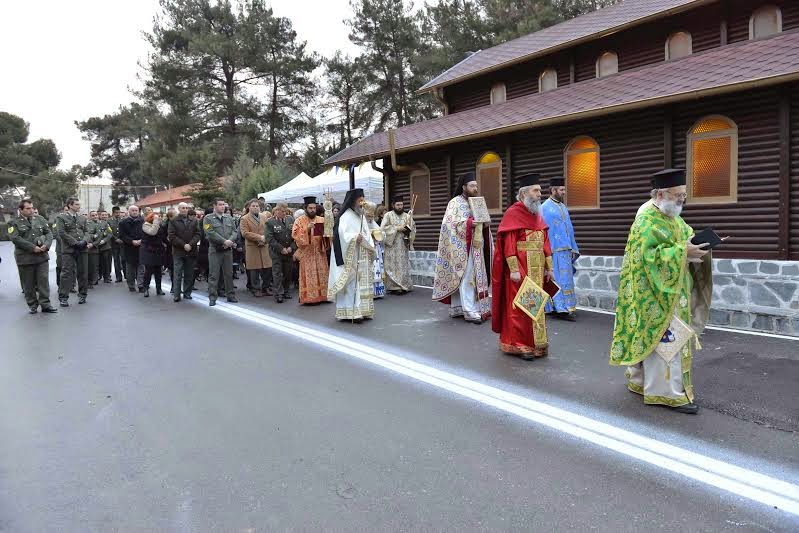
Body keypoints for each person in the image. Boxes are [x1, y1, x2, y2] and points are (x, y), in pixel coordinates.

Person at [609, 169, 713, 415]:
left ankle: (639, 380)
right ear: (661, 194)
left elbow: (687, 239)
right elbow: (647, 257)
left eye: (684, 195)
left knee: (657, 339)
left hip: (676, 289)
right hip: (654, 292)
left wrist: (699, 244)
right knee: (667, 340)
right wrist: (682, 253)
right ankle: (667, 393)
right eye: (677, 194)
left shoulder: (675, 218)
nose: (682, 199)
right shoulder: (646, 220)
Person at [491, 174, 555, 359]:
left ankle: (537, 343)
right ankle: (519, 344)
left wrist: (549, 268)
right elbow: (509, 245)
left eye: (540, 191)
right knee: (519, 308)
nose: (539, 194)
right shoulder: (513, 213)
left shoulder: (537, 215)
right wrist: (514, 270)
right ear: (523, 193)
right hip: (520, 269)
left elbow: (545, 243)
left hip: (537, 269)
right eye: (536, 191)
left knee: (537, 305)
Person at [432, 172, 493, 324]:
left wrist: (485, 222)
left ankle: (466, 307)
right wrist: (468, 223)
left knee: (477, 277)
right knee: (466, 277)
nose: (475, 188)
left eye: (476, 186)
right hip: (462, 247)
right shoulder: (455, 202)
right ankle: (469, 311)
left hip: (477, 246)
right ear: (464, 187)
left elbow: (484, 221)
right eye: (472, 186)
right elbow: (449, 224)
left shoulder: (478, 202)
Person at [327, 188, 375, 321]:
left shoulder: (361, 216)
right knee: (350, 284)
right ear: (353, 201)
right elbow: (341, 236)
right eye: (360, 201)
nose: (362, 204)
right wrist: (354, 238)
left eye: (363, 200)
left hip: (362, 255)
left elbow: (367, 233)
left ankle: (362, 310)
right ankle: (350, 312)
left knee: (361, 284)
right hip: (350, 257)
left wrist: (367, 238)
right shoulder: (345, 216)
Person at [541, 176, 580, 321]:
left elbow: (569, 228)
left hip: (566, 250)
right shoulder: (544, 207)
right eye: (562, 189)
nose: (564, 192)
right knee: (556, 279)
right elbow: (544, 230)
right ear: (553, 190)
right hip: (553, 251)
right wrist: (546, 251)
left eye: (564, 189)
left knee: (566, 279)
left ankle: (566, 306)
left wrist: (572, 247)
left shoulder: (563, 207)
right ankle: (559, 309)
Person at [8, 199, 57, 314]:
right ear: (20, 210)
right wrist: (32, 247)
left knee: (43, 281)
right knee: (28, 283)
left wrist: (47, 244)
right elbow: (15, 238)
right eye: (28, 208)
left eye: (32, 208)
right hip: (25, 258)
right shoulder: (13, 222)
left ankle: (46, 304)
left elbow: (48, 233)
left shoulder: (40, 219)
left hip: (42, 256)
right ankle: (32, 305)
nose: (31, 210)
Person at [291, 196, 329, 304]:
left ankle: (323, 295)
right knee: (309, 275)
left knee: (322, 274)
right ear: (305, 208)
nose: (312, 210)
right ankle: (309, 297)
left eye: (314, 208)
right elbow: (296, 235)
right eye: (310, 208)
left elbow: (325, 237)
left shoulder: (320, 219)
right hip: (307, 254)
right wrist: (307, 229)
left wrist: (326, 234)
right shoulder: (299, 220)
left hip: (319, 252)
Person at [203, 198, 239, 306]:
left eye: (223, 205)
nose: (222, 207)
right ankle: (212, 297)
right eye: (220, 204)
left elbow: (235, 231)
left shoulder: (229, 218)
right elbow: (209, 232)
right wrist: (224, 241)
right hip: (215, 250)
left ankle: (230, 295)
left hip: (227, 250)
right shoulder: (208, 218)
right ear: (215, 206)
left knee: (229, 274)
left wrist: (230, 241)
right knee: (214, 274)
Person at [56, 197, 90, 306]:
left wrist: (84, 241)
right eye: (76, 204)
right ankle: (63, 297)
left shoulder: (82, 218)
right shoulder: (61, 217)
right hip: (69, 250)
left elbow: (87, 232)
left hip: (82, 249)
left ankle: (82, 295)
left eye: (79, 205)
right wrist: (75, 243)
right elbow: (61, 232)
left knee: (83, 273)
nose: (79, 206)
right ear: (70, 205)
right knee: (66, 273)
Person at [380, 196, 416, 294]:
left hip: (402, 245)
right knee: (391, 266)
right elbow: (382, 229)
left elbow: (413, 229)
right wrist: (397, 228)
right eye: (398, 205)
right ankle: (394, 287)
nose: (400, 207)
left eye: (401, 205)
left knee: (402, 266)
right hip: (391, 245)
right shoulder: (388, 215)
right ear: (393, 205)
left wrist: (410, 224)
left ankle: (404, 285)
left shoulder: (407, 216)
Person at [168, 202, 201, 302]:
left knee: (189, 273)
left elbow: (198, 234)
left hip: (191, 251)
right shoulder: (173, 221)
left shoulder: (194, 220)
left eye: (186, 208)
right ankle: (177, 294)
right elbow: (172, 236)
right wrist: (184, 245)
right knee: (177, 273)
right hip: (178, 251)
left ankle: (187, 293)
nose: (185, 209)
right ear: (179, 209)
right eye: (182, 208)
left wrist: (190, 244)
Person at [239, 199, 272, 297]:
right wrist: (259, 238)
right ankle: (256, 288)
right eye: (253, 206)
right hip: (252, 246)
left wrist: (264, 239)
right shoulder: (244, 218)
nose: (255, 207)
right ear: (249, 207)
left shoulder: (264, 216)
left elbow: (268, 230)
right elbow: (245, 233)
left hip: (264, 245)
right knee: (254, 269)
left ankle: (265, 287)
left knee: (267, 268)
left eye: (257, 206)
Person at [265, 202, 296, 303]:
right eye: (282, 211)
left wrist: (292, 247)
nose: (284, 213)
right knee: (277, 273)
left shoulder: (290, 219)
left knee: (288, 272)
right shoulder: (270, 222)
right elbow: (269, 238)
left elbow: (295, 235)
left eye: (285, 211)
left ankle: (286, 291)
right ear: (276, 211)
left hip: (289, 251)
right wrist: (281, 248)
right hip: (276, 252)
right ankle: (279, 293)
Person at [140, 212, 167, 297]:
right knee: (148, 271)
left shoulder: (160, 226)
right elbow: (153, 232)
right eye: (157, 217)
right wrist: (156, 222)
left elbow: (163, 237)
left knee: (158, 271)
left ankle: (159, 289)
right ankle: (146, 289)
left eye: (159, 217)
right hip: (148, 250)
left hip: (158, 250)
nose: (159, 218)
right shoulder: (146, 225)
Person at [119, 205, 145, 293]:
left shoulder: (143, 221)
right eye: (133, 210)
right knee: (130, 268)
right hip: (129, 247)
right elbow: (122, 236)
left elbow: (146, 233)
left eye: (136, 210)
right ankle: (131, 285)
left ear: (138, 211)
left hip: (141, 247)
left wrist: (141, 240)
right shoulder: (123, 222)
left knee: (141, 267)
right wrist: (131, 241)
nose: (135, 212)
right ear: (129, 212)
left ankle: (141, 285)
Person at [364, 202, 385, 299]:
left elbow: (382, 233)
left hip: (375, 249)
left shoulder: (373, 223)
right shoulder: (362, 224)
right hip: (366, 250)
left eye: (371, 216)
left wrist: (377, 234)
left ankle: (377, 292)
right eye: (368, 216)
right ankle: (369, 291)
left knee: (376, 270)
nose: (370, 218)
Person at [85, 210, 103, 287]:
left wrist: (92, 244)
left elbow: (99, 237)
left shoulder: (97, 224)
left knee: (94, 266)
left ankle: (93, 281)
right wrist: (86, 243)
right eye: (93, 215)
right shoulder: (85, 224)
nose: (95, 216)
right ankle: (88, 281)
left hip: (94, 248)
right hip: (85, 248)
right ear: (89, 216)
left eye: (96, 215)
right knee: (86, 267)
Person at [96, 210, 114, 283]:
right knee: (98, 262)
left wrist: (104, 240)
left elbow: (110, 234)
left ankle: (107, 276)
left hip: (106, 246)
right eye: (102, 215)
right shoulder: (97, 223)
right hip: (97, 246)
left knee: (107, 262)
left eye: (105, 215)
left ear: (108, 216)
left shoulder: (107, 223)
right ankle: (99, 275)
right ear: (99, 216)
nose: (104, 216)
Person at [109, 206, 125, 282]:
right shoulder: (109, 221)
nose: (118, 214)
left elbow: (126, 231)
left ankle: (126, 275)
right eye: (116, 213)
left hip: (123, 243)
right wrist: (116, 239)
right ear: (113, 213)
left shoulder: (123, 220)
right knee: (116, 261)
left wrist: (123, 239)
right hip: (114, 244)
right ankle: (119, 277)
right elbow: (109, 232)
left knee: (124, 259)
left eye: (119, 212)